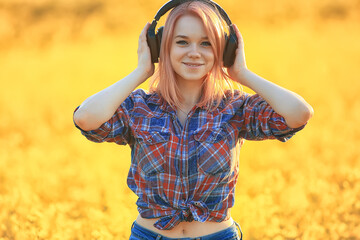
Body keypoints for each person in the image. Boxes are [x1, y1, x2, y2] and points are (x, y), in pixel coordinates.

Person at [73, 0, 314, 239]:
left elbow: (299, 114)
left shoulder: (234, 107)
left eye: (207, 43)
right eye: (182, 42)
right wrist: (141, 72)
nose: (194, 53)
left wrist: (243, 74)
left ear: (224, 50)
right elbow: (85, 119)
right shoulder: (139, 107)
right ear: (161, 47)